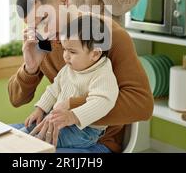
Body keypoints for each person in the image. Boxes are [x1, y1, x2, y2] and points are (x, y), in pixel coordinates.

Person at [9, 0, 153, 153]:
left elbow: (142, 105)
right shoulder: (46, 41)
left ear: (63, 1)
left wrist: (71, 106)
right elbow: (16, 99)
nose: (43, 32)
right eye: (34, 27)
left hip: (96, 142)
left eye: (44, 19)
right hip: (56, 126)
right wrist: (30, 68)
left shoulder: (106, 34)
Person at [20, 15, 119, 149]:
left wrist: (73, 116)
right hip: (61, 120)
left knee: (37, 141)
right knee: (28, 131)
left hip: (84, 130)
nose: (65, 55)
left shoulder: (103, 74)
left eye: (72, 51)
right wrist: (40, 109)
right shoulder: (69, 68)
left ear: (95, 54)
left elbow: (102, 101)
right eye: (64, 49)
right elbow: (54, 90)